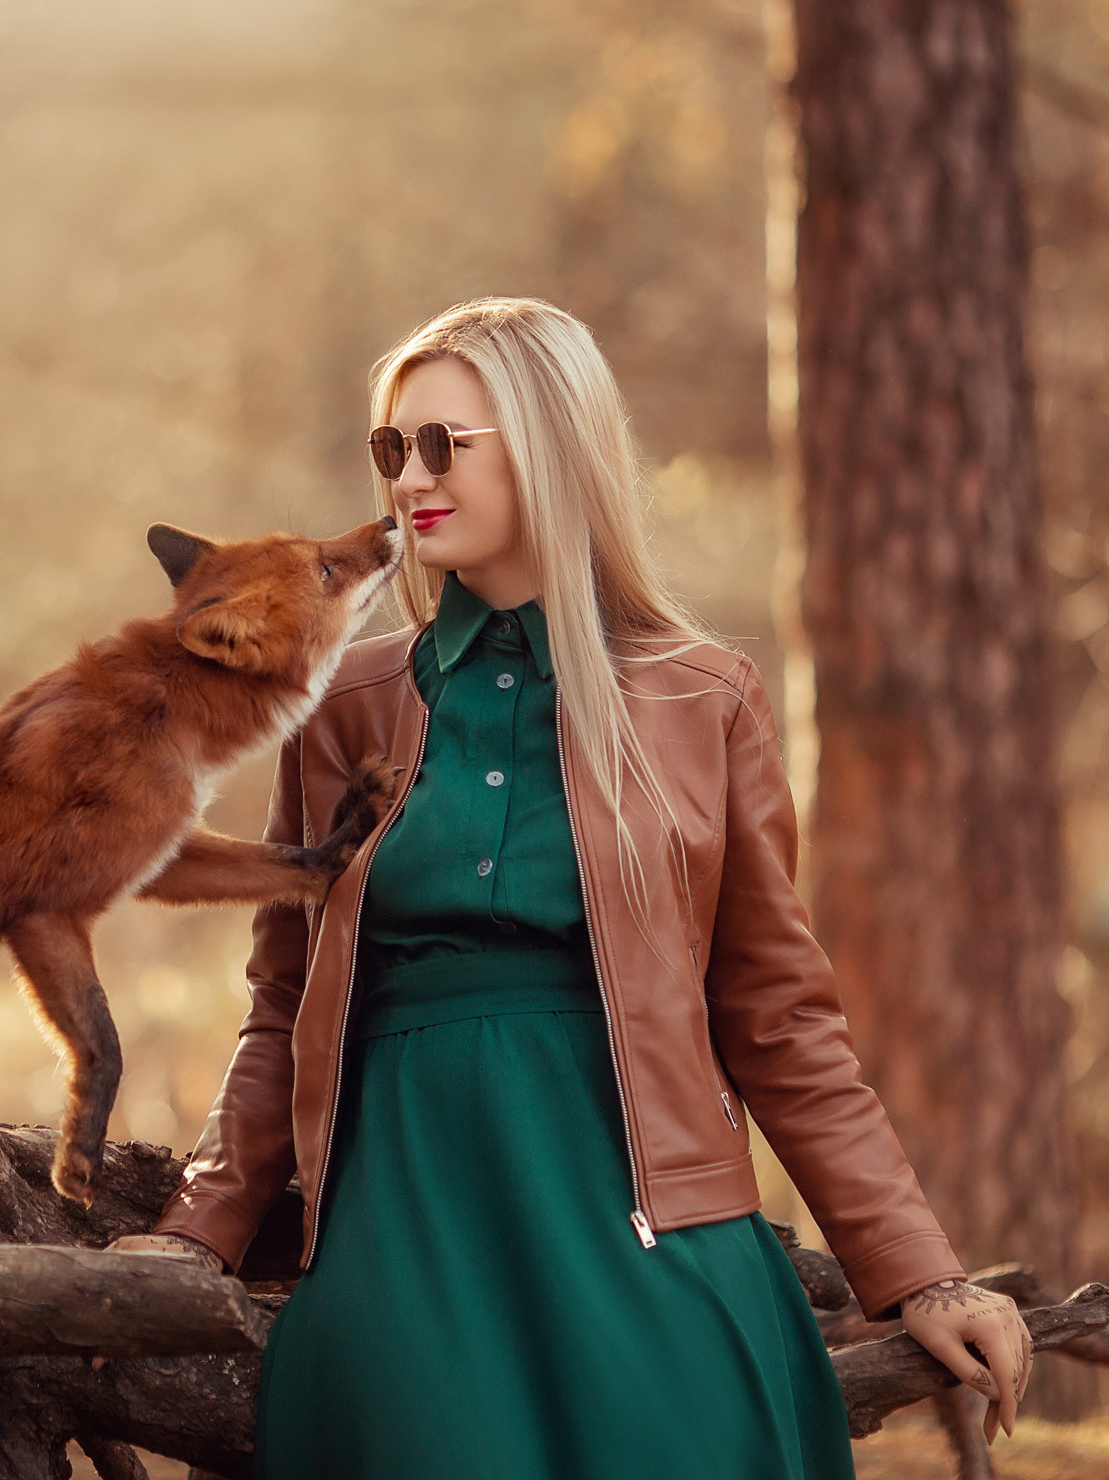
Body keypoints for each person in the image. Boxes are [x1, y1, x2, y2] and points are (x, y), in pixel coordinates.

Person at [107, 298, 1033, 1477]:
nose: (406, 480)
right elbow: (282, 1010)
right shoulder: (342, 701)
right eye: (391, 449)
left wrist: (916, 1269)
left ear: (547, 448)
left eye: (443, 444)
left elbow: (780, 1023)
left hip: (652, 1242)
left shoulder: (704, 700)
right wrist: (197, 1233)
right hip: (404, 1234)